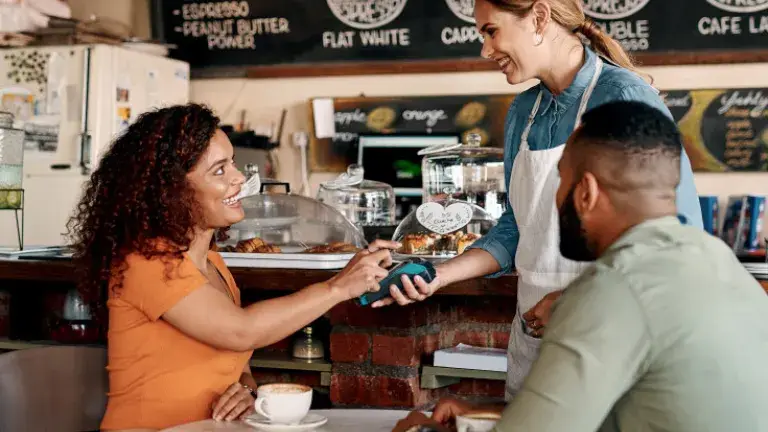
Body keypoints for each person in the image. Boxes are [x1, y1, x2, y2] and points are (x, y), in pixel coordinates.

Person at [375, 0, 703, 399]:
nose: (485, 50)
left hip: (608, 336)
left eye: (491, 31)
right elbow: (518, 226)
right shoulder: (524, 111)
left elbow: (675, 240)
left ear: (540, 17)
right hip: (534, 338)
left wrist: (571, 302)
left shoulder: (625, 97)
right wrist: (437, 276)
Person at [394, 101, 768, 432]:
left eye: (559, 180)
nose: (555, 198)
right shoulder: (719, 261)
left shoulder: (612, 287)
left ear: (585, 193)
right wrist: (491, 415)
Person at [67, 104, 398, 431]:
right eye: (219, 170)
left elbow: (236, 365)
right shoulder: (147, 260)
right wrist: (338, 287)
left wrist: (247, 391)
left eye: (233, 163)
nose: (239, 178)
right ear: (170, 190)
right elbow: (241, 332)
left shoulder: (213, 263)